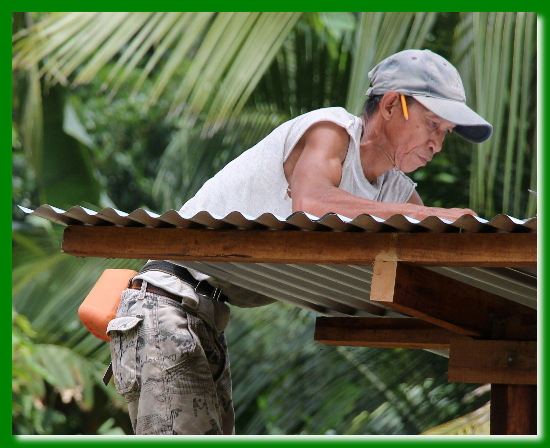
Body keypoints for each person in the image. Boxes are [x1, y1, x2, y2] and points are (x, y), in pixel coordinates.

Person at [106, 49, 493, 435]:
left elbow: (432, 255)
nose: (437, 145)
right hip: (166, 302)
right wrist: (437, 216)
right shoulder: (330, 130)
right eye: (432, 125)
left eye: (445, 133)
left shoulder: (395, 190)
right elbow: (311, 204)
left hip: (206, 319)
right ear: (392, 104)